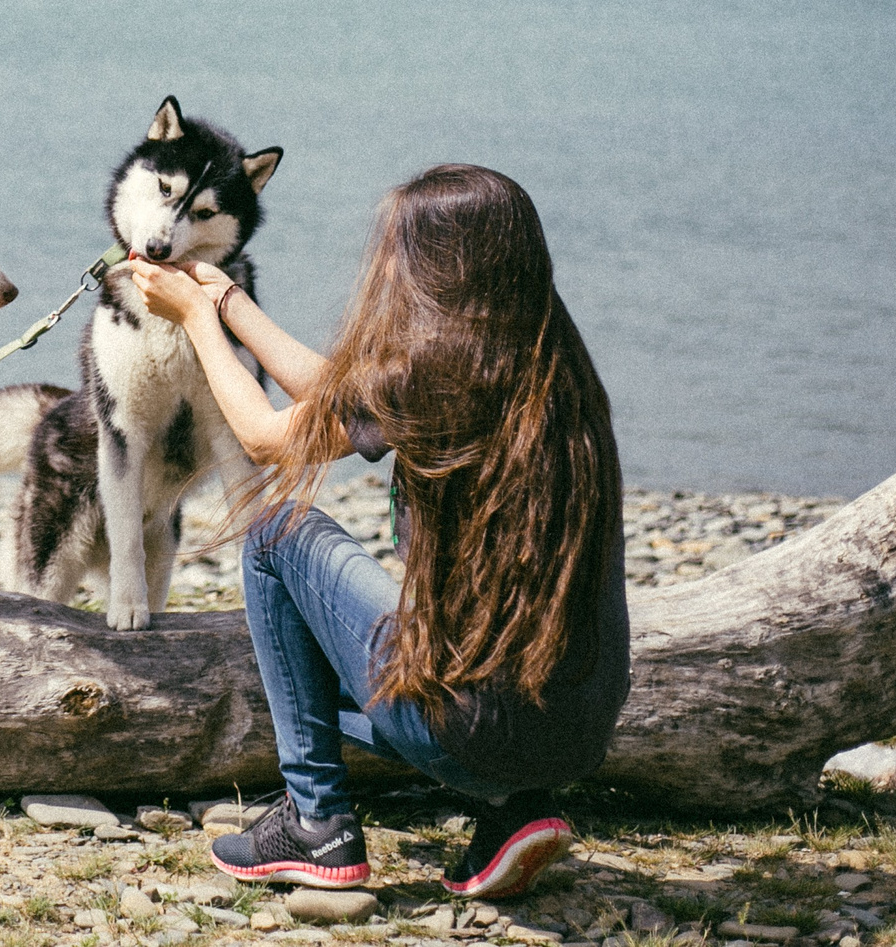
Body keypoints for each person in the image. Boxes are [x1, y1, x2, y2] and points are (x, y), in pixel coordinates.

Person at [128, 163, 627, 899]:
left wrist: (196, 322)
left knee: (274, 535)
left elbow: (268, 437)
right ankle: (513, 809)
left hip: (463, 732)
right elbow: (338, 394)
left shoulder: (430, 375)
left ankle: (316, 819)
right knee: (438, 645)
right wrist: (228, 299)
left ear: (431, 266)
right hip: (580, 736)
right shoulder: (555, 367)